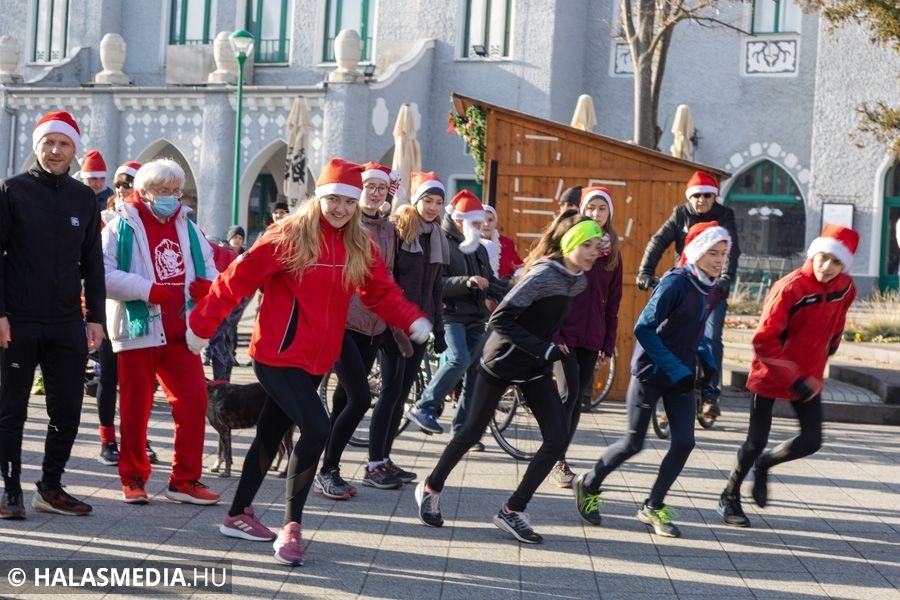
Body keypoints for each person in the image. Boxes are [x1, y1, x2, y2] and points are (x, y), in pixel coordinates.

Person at [187, 158, 431, 567]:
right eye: (332, 199)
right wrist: (203, 324)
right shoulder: (289, 235)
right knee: (317, 427)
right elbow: (238, 278)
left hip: (319, 359)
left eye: (347, 202)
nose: (339, 209)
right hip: (277, 357)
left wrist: (411, 318)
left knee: (269, 436)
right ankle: (292, 528)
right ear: (318, 197)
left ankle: (237, 514)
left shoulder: (358, 244)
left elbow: (380, 293)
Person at [415, 212, 604, 544]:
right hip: (501, 361)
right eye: (586, 245)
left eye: (596, 245)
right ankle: (430, 486)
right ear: (570, 244)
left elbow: (542, 316)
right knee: (471, 431)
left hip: (534, 368)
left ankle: (512, 510)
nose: (593, 251)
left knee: (557, 438)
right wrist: (542, 347)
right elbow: (500, 318)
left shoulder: (579, 279)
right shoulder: (546, 274)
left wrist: (552, 346)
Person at [574, 221, 731, 538]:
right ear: (697, 251)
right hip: (651, 372)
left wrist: (707, 362)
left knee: (685, 442)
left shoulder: (709, 286)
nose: (719, 260)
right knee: (634, 443)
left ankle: (653, 505)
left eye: (724, 253)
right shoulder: (675, 284)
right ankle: (588, 483)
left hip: (681, 377)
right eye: (713, 252)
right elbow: (643, 329)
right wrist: (676, 367)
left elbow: (695, 330)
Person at [0, 110, 106, 519]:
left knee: (67, 410)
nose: (56, 150)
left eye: (64, 144)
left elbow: (92, 261)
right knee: (12, 408)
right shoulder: (12, 191)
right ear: (37, 146)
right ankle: (11, 488)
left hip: (66, 321)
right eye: (49, 143)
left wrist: (95, 316)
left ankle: (51, 485)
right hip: (19, 321)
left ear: (74, 150)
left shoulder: (83, 198)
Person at [717, 224, 858, 528]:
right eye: (823, 258)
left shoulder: (846, 287)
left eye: (836, 262)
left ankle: (766, 464)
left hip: (808, 374)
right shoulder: (790, 287)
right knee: (755, 442)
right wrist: (791, 376)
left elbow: (838, 320)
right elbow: (763, 340)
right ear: (814, 253)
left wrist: (831, 345)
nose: (827, 267)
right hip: (771, 371)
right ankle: (730, 495)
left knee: (812, 441)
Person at [102, 157, 220, 506]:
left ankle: (184, 479)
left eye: (175, 191)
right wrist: (145, 289)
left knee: (194, 401)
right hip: (140, 327)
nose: (171, 197)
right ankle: (134, 476)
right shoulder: (118, 226)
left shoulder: (188, 226)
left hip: (182, 330)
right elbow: (101, 275)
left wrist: (207, 286)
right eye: (162, 191)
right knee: (136, 407)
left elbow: (211, 266)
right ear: (143, 192)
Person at [313, 162, 408, 497]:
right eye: (369, 187)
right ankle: (327, 469)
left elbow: (389, 275)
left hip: (374, 325)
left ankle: (325, 466)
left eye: (381, 188)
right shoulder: (350, 226)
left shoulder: (389, 228)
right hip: (343, 322)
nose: (375, 193)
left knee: (344, 398)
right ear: (358, 191)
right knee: (361, 398)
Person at [636, 171, 740, 419]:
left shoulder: (725, 216)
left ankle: (711, 395)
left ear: (714, 197)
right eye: (696, 196)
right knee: (669, 333)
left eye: (707, 195)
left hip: (713, 287)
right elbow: (658, 241)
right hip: (684, 283)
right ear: (689, 197)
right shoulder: (680, 214)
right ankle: (670, 389)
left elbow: (732, 251)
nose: (701, 200)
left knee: (711, 338)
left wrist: (725, 278)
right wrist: (645, 271)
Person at [405, 190, 507, 442]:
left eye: (480, 221)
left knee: (476, 372)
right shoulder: (443, 241)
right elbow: (436, 283)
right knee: (458, 359)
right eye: (475, 221)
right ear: (460, 219)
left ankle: (462, 431)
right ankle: (424, 406)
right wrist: (468, 282)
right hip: (449, 315)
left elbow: (490, 280)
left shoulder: (478, 248)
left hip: (475, 317)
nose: (480, 226)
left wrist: (511, 289)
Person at [368, 171, 447, 488]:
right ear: (416, 200)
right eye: (428, 200)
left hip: (419, 325)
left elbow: (437, 287)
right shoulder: (402, 228)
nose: (432, 207)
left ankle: (385, 458)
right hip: (392, 323)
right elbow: (386, 276)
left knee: (401, 394)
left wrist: (439, 329)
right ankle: (374, 463)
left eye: (439, 202)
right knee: (389, 392)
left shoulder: (436, 234)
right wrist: (394, 317)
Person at [550, 187, 623, 488]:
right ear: (582, 210)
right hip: (564, 334)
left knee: (577, 398)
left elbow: (613, 302)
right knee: (566, 394)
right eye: (590, 208)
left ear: (609, 214)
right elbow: (551, 292)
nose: (595, 213)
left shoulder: (613, 253)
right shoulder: (569, 243)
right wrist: (554, 334)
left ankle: (557, 454)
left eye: (601, 209)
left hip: (591, 336)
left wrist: (608, 343)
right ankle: (555, 458)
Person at [96, 160, 159, 467]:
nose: (122, 189)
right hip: (111, 311)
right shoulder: (105, 221)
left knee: (140, 382)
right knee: (108, 376)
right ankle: (108, 440)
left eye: (128, 183)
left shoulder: (154, 224)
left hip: (145, 313)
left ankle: (137, 437)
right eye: (119, 184)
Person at [204, 226, 251, 382]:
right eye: (235, 237)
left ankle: (221, 382)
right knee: (222, 337)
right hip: (225, 292)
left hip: (233, 293)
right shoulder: (219, 250)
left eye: (240, 237)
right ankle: (222, 380)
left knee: (221, 336)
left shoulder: (235, 255)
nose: (238, 240)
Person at [480, 204, 523, 281]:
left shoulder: (507, 244)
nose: (486, 224)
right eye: (483, 220)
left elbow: (519, 266)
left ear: (495, 222)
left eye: (490, 220)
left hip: (502, 289)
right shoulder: (470, 244)